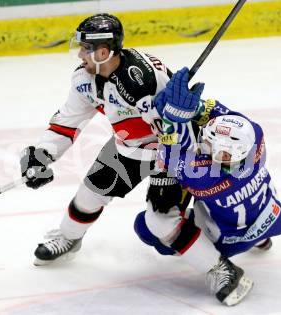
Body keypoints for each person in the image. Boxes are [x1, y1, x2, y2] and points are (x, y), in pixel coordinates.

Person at [20, 14, 218, 268]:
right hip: (129, 148)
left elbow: (181, 127)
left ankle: (223, 260)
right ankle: (69, 238)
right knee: (88, 197)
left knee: (164, 220)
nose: (80, 54)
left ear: (103, 52)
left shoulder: (144, 79)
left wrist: (166, 117)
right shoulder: (84, 80)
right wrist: (42, 153)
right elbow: (66, 122)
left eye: (85, 49)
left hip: (171, 152)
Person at [133, 67, 281, 306]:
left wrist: (172, 118)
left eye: (208, 143)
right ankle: (261, 239)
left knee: (149, 225)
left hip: (230, 239)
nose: (203, 143)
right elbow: (228, 118)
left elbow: (167, 157)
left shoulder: (205, 177)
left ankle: (221, 270)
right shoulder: (254, 138)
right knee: (237, 205)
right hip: (272, 216)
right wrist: (196, 107)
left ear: (224, 154)